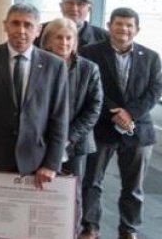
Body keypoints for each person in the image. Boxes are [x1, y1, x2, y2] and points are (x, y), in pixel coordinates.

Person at [79, 8, 162, 239]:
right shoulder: (89, 52)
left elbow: (155, 90)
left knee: (133, 186)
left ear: (137, 29)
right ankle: (90, 227)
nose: (123, 29)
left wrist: (130, 114)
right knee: (92, 182)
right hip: (101, 127)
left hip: (138, 130)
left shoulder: (151, 57)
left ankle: (128, 229)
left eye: (129, 25)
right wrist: (114, 111)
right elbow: (87, 86)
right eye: (119, 24)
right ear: (109, 25)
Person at [0, 3, 68, 186]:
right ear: (5, 25)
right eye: (15, 23)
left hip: (37, 162)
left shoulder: (55, 65)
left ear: (38, 30)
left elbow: (59, 117)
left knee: (31, 214)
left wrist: (52, 164)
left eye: (28, 25)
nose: (21, 30)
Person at [40, 17, 102, 239]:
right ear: (48, 41)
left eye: (69, 38)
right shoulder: (37, 64)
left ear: (75, 42)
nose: (64, 42)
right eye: (59, 37)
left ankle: (70, 233)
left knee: (70, 193)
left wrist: (67, 137)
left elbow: (94, 108)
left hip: (74, 144)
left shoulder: (89, 69)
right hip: (39, 141)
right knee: (39, 189)